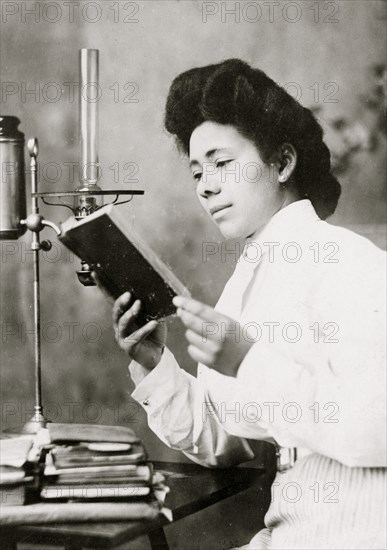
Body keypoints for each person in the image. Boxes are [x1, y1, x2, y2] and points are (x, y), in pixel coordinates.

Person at [111, 60, 386, 549]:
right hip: (290, 531)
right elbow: (227, 439)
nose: (205, 185)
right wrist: (156, 365)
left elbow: (374, 428)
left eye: (221, 163)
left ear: (281, 163)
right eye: (197, 171)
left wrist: (247, 360)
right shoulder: (251, 278)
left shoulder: (348, 262)